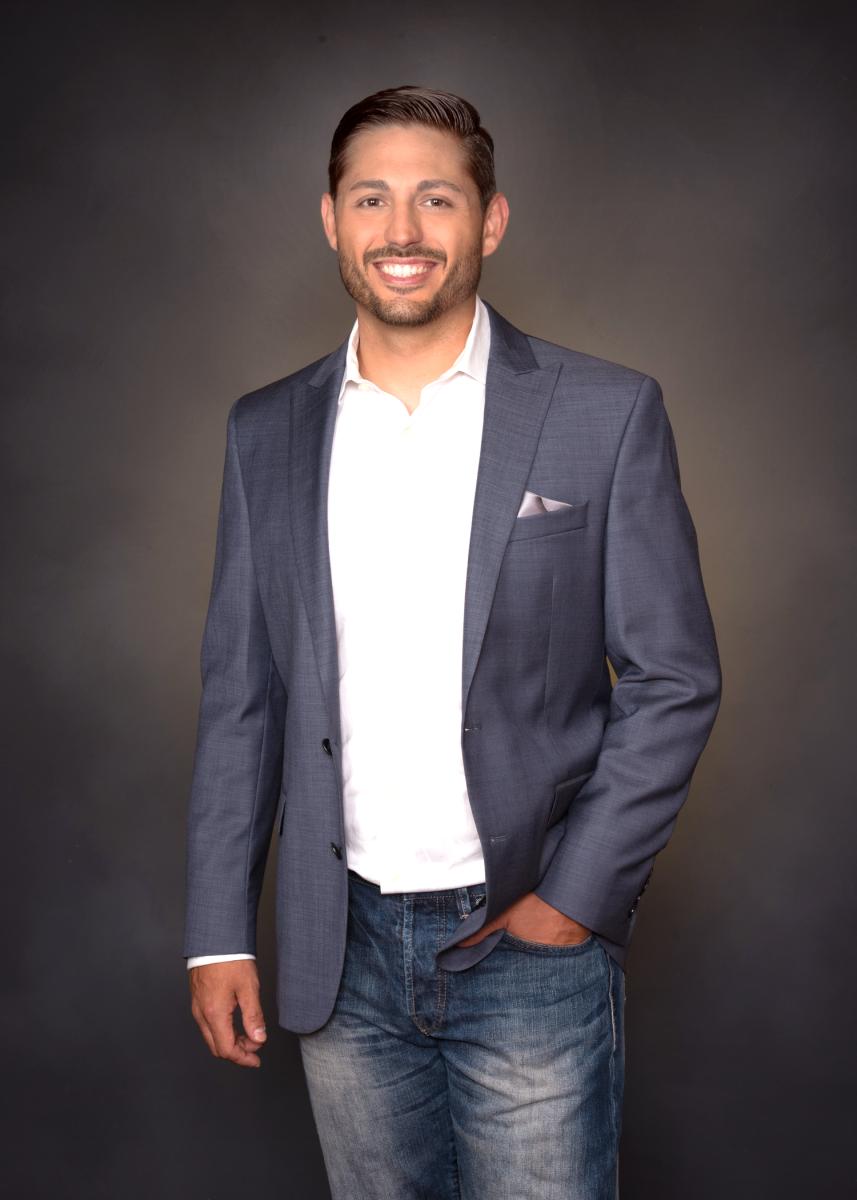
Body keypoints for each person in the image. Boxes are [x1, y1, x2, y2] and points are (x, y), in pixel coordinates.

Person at [184, 85, 722, 1199]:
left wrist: (571, 901)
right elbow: (242, 698)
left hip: (526, 945)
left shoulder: (604, 411)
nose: (402, 229)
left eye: (436, 198)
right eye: (370, 198)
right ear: (330, 220)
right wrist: (216, 934)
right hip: (337, 951)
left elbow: (672, 678)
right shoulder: (263, 431)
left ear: (491, 220)